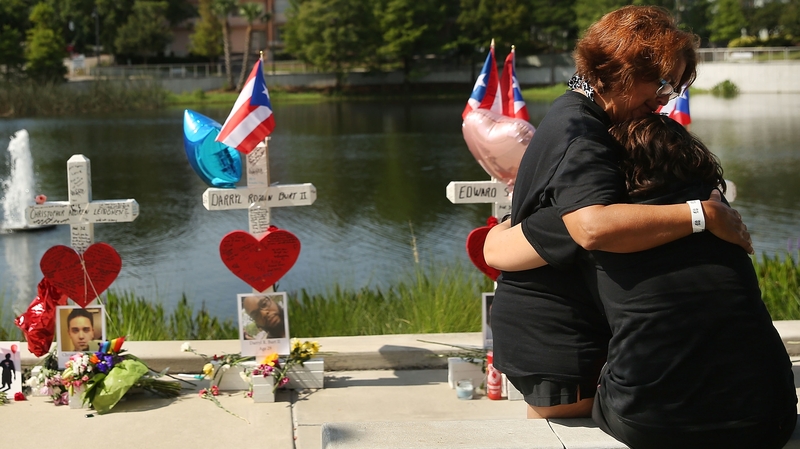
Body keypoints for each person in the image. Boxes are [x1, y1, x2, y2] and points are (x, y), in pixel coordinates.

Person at [483, 5, 751, 420]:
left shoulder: (575, 113)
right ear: (622, 68)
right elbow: (591, 227)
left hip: (548, 342)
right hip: (561, 351)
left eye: (674, 88)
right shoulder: (583, 135)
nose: (665, 99)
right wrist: (703, 214)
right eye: (662, 84)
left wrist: (499, 237)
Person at [489, 114, 796, 448]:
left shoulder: (602, 221)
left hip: (652, 424)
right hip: (771, 420)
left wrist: (510, 219)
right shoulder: (717, 211)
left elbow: (496, 251)